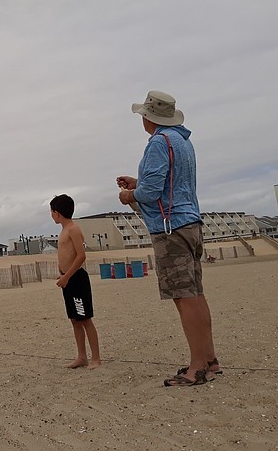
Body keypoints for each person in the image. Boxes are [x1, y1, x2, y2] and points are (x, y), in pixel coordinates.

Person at [116, 91, 219, 386]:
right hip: (190, 222)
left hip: (170, 227)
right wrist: (140, 184)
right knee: (195, 293)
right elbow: (170, 183)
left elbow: (150, 194)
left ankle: (196, 366)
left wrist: (129, 195)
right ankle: (209, 359)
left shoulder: (159, 144)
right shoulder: (183, 142)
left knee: (184, 297)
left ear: (148, 117)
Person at [50, 194, 101, 369]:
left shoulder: (73, 229)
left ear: (57, 213)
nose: (51, 215)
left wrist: (67, 276)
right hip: (68, 280)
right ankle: (81, 356)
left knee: (85, 318)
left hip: (77, 279)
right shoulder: (64, 230)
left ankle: (96, 358)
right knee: (74, 319)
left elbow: (81, 256)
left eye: (52, 211)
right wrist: (62, 274)